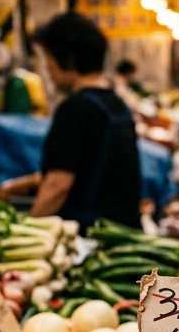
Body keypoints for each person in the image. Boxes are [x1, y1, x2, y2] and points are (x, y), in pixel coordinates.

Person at [31, 12, 141, 229]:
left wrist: (26, 228)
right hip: (125, 233)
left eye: (48, 59)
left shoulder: (74, 110)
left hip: (91, 239)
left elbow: (58, 184)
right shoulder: (117, 105)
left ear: (69, 59)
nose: (47, 69)